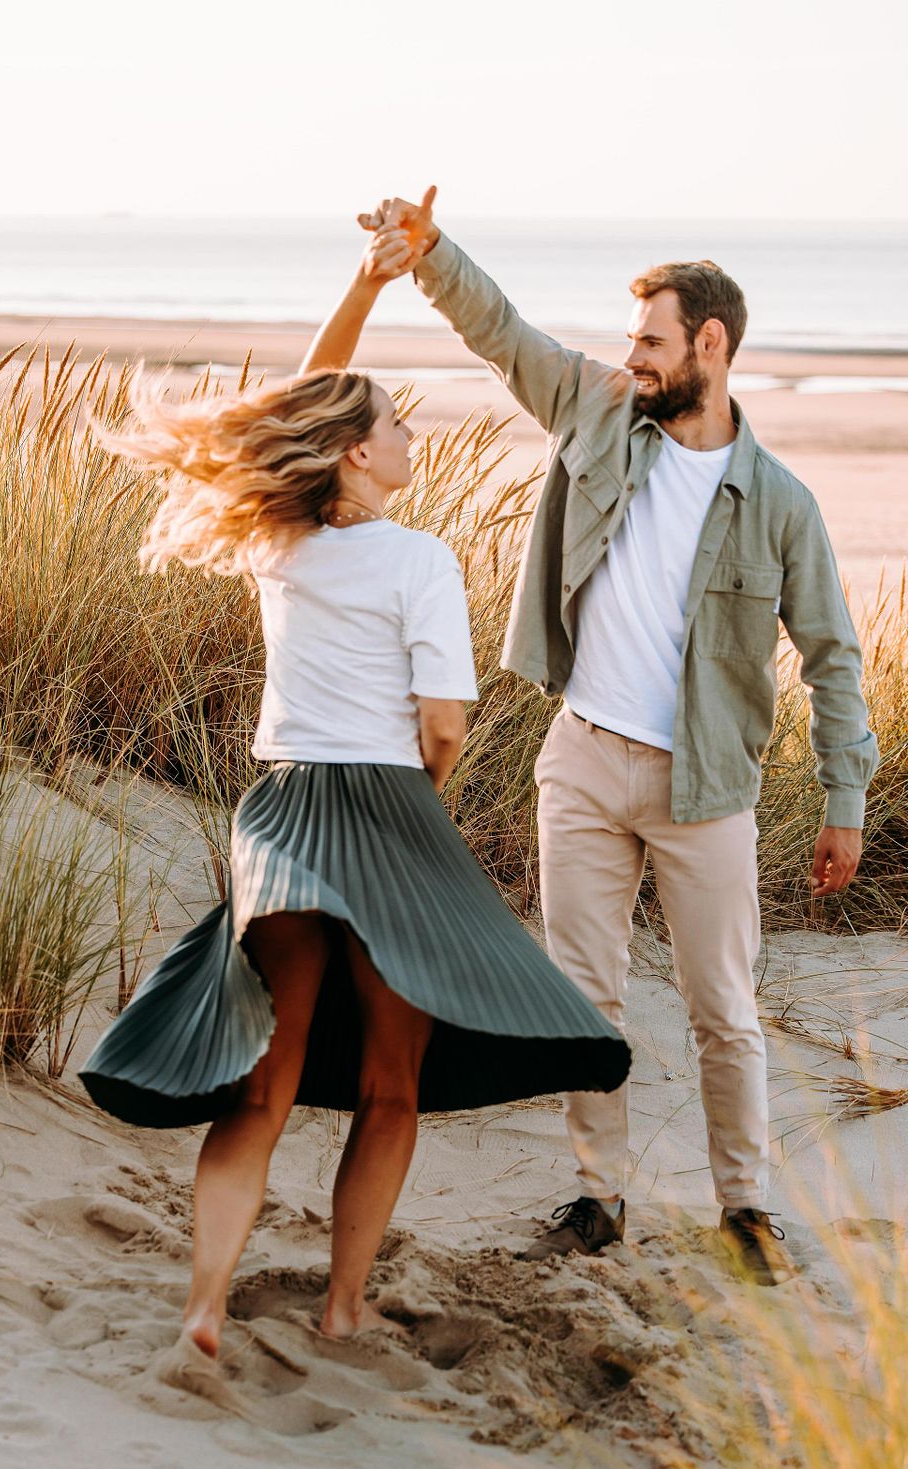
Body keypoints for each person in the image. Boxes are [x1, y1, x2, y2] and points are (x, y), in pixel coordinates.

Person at [80, 232, 629, 1357]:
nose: (411, 434)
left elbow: (302, 401)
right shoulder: (420, 558)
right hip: (387, 816)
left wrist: (368, 286)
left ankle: (202, 1306)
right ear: (357, 456)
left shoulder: (281, 540)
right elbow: (442, 727)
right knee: (390, 1087)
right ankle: (341, 1306)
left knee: (261, 1088)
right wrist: (420, 806)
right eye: (397, 422)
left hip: (283, 820)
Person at [357, 188, 880, 1284]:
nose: (630, 356)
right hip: (584, 758)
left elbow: (834, 655)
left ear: (711, 343)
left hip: (709, 789)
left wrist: (844, 803)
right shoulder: (597, 410)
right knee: (580, 997)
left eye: (650, 339)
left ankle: (746, 1209)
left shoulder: (780, 504)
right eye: (628, 338)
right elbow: (501, 334)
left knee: (722, 1011)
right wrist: (430, 254)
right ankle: (599, 1195)